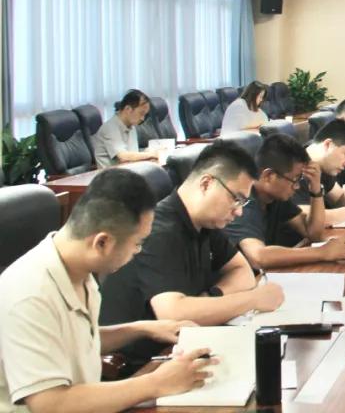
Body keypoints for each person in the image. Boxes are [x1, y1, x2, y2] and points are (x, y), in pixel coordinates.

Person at [0, 169, 212, 413]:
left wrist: (144, 328)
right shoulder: (30, 294)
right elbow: (50, 404)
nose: (138, 251)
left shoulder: (77, 269)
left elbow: (78, 341)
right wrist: (156, 383)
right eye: (138, 243)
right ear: (102, 242)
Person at [100, 141, 285, 364]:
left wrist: (211, 297)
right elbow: (173, 313)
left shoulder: (206, 223)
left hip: (186, 346)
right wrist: (252, 300)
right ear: (206, 184)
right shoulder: (159, 230)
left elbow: (242, 271)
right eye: (236, 199)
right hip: (143, 363)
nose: (238, 212)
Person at [225, 134, 345, 270]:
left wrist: (316, 189)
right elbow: (258, 257)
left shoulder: (275, 197)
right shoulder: (243, 203)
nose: (297, 187)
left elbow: (312, 233)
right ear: (269, 176)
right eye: (295, 179)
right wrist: (322, 252)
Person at [291, 119, 345, 227]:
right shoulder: (293, 167)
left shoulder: (321, 165)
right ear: (328, 144)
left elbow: (340, 196)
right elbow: (304, 216)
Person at [92, 89, 159, 168]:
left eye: (145, 115)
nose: (143, 118)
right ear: (128, 109)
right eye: (141, 113)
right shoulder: (110, 128)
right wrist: (152, 154)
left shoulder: (131, 126)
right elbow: (123, 157)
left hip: (129, 170)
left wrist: (147, 153)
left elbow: (132, 155)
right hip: (112, 174)